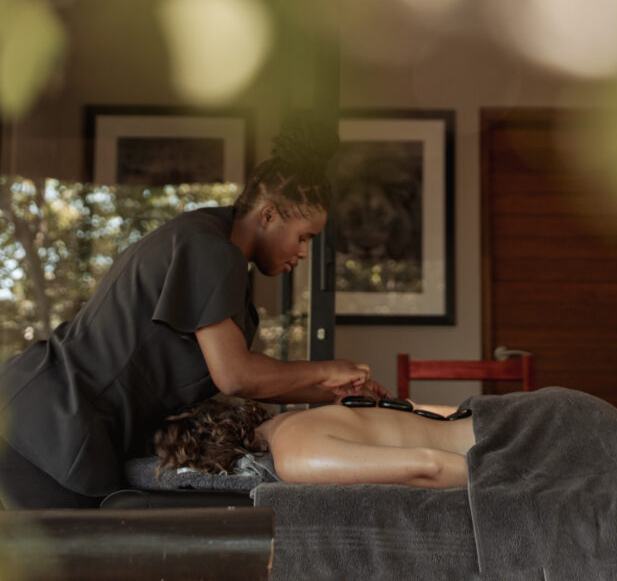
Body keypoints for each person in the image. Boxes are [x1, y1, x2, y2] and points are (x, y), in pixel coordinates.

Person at [0, 116, 387, 509]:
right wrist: (325, 370)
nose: (304, 252)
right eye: (304, 237)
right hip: (45, 426)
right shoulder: (211, 251)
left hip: (44, 417)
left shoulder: (209, 242)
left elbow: (245, 375)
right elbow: (237, 376)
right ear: (268, 216)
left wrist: (335, 389)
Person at [153, 395, 474, 489]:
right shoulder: (295, 417)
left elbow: (430, 466)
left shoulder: (295, 455)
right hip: (494, 417)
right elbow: (420, 409)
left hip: (499, 450)